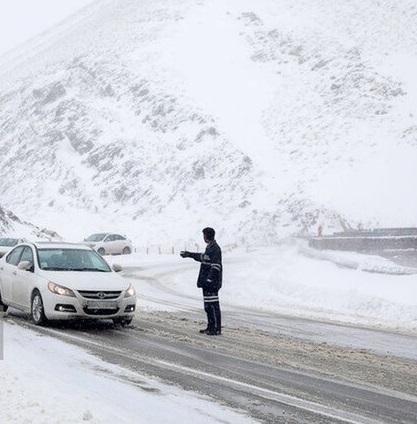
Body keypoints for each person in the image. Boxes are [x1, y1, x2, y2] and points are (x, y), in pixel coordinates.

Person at [180, 228, 222, 335]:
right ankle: (210, 326)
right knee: (207, 306)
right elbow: (202, 257)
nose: (203, 238)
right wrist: (189, 254)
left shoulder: (215, 249)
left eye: (204, 235)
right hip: (206, 283)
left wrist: (210, 279)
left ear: (207, 236)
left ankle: (216, 328)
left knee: (213, 305)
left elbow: (216, 266)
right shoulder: (209, 248)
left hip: (212, 283)